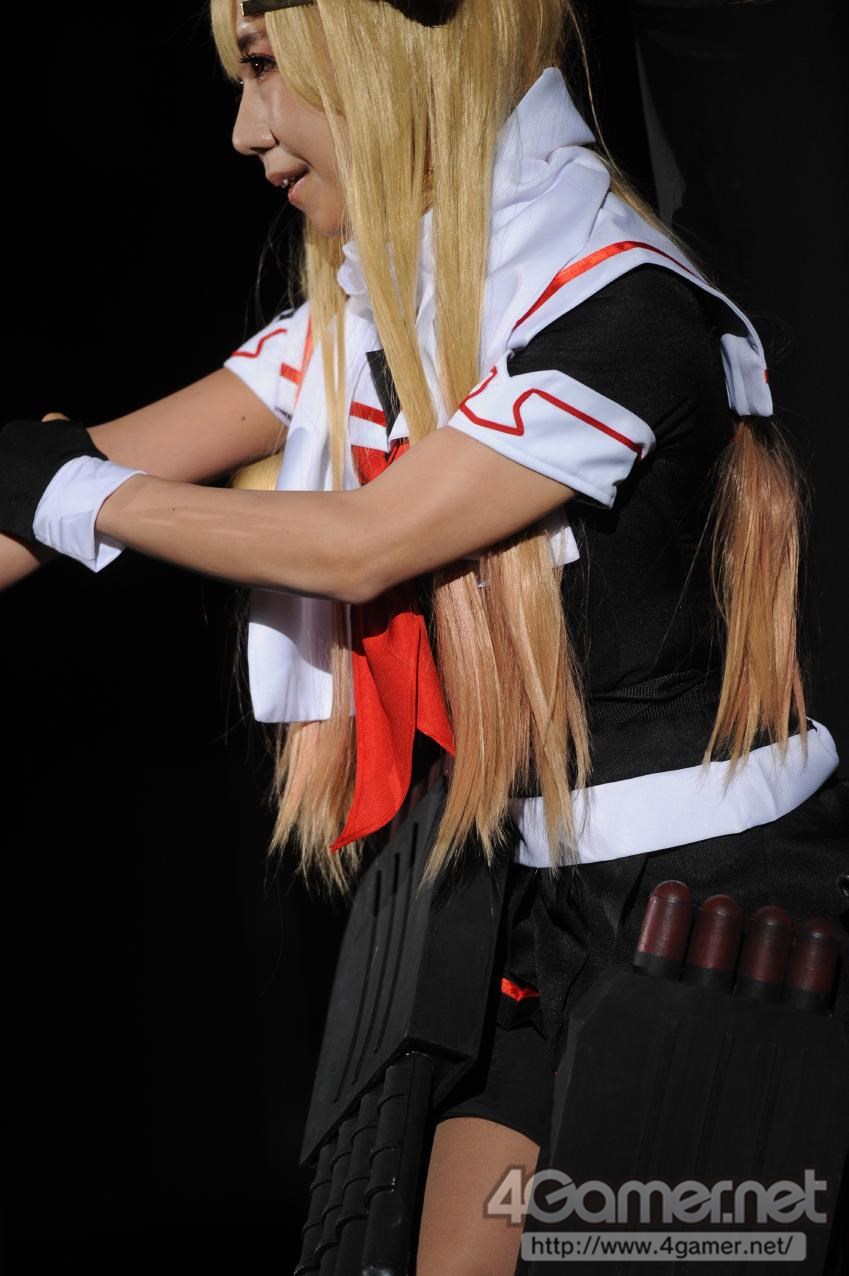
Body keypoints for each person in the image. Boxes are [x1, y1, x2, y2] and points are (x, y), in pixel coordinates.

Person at [1, 1, 846, 1273]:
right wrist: (44, 488)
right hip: (535, 903)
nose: (245, 131)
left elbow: (363, 542)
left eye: (267, 69)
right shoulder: (380, 316)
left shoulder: (626, 307)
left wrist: (71, 492)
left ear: (392, 55)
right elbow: (50, 488)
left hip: (716, 916)